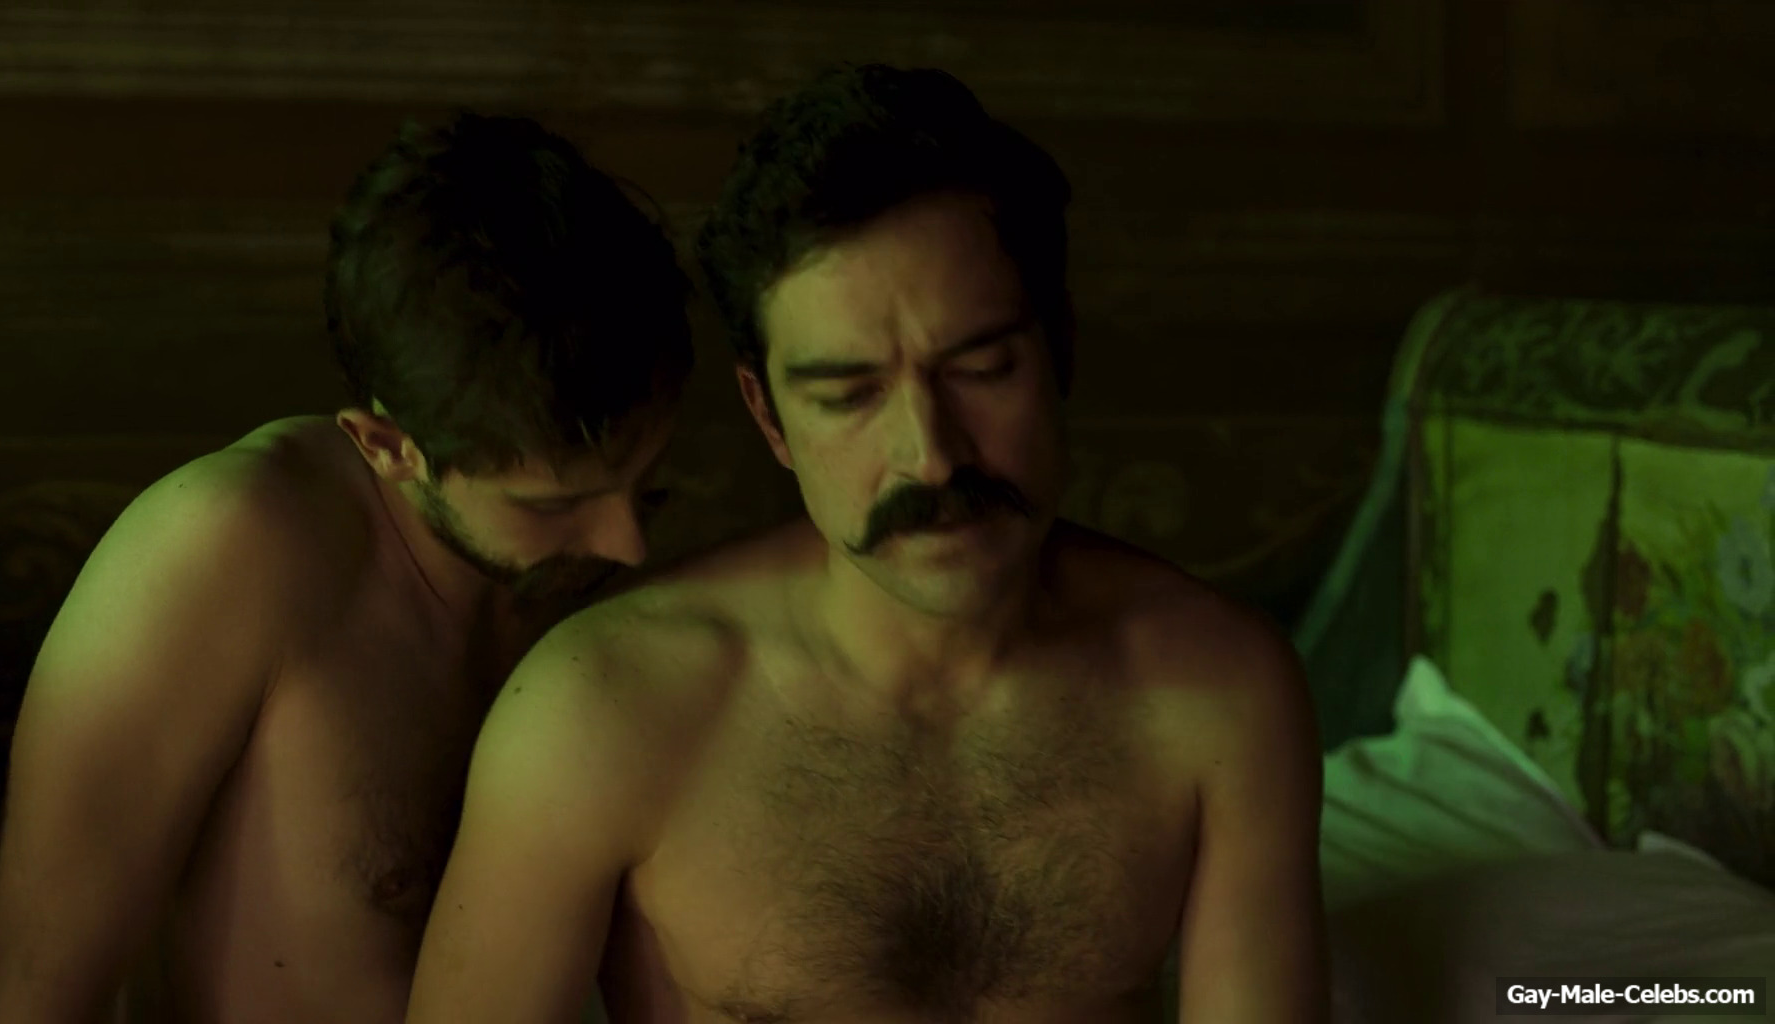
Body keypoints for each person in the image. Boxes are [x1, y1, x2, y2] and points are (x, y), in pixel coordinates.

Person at [407, 64, 1327, 1024]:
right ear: (769, 416)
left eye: (982, 368)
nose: (930, 456)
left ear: (1059, 346)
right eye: (848, 396)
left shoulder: (1221, 693)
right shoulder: (604, 707)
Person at [0, 112, 693, 1024]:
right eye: (552, 506)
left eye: (646, 482)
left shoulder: (605, 574)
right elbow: (30, 1000)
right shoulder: (231, 549)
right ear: (387, 447)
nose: (627, 544)